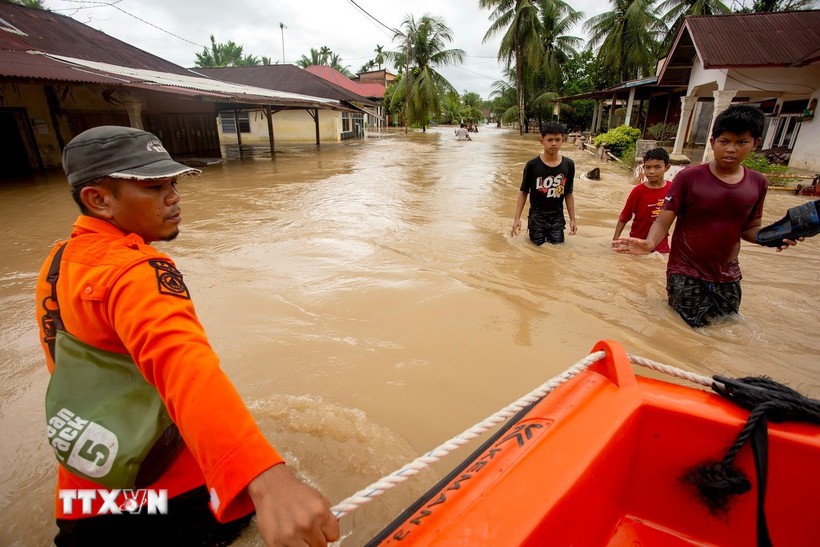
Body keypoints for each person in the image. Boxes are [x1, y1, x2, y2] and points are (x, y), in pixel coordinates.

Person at [35, 126, 340, 546]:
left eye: (173, 183)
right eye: (155, 187)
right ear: (98, 199)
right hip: (169, 497)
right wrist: (267, 481)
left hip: (83, 498)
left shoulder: (60, 259)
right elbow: (184, 365)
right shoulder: (137, 272)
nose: (174, 197)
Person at [612, 105, 800, 327]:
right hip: (685, 272)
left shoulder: (758, 182)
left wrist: (771, 237)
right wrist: (649, 243)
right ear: (712, 142)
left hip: (728, 274)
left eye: (741, 142)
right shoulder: (688, 178)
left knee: (725, 331)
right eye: (724, 141)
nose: (731, 149)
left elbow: (750, 228)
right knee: (682, 331)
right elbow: (664, 219)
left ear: (755, 144)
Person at [510, 121, 577, 245]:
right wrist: (517, 218)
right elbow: (524, 192)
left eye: (557, 140)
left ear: (563, 141)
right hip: (537, 216)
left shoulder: (568, 165)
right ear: (542, 141)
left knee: (557, 249)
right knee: (536, 250)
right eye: (550, 140)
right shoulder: (532, 165)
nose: (554, 143)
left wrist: (573, 219)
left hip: (557, 216)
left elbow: (568, 193)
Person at [613, 147, 673, 253]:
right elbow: (624, 217)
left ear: (667, 167)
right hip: (637, 244)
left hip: (661, 246)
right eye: (648, 167)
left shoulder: (673, 189)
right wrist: (615, 241)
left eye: (657, 167)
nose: (652, 171)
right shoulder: (638, 191)